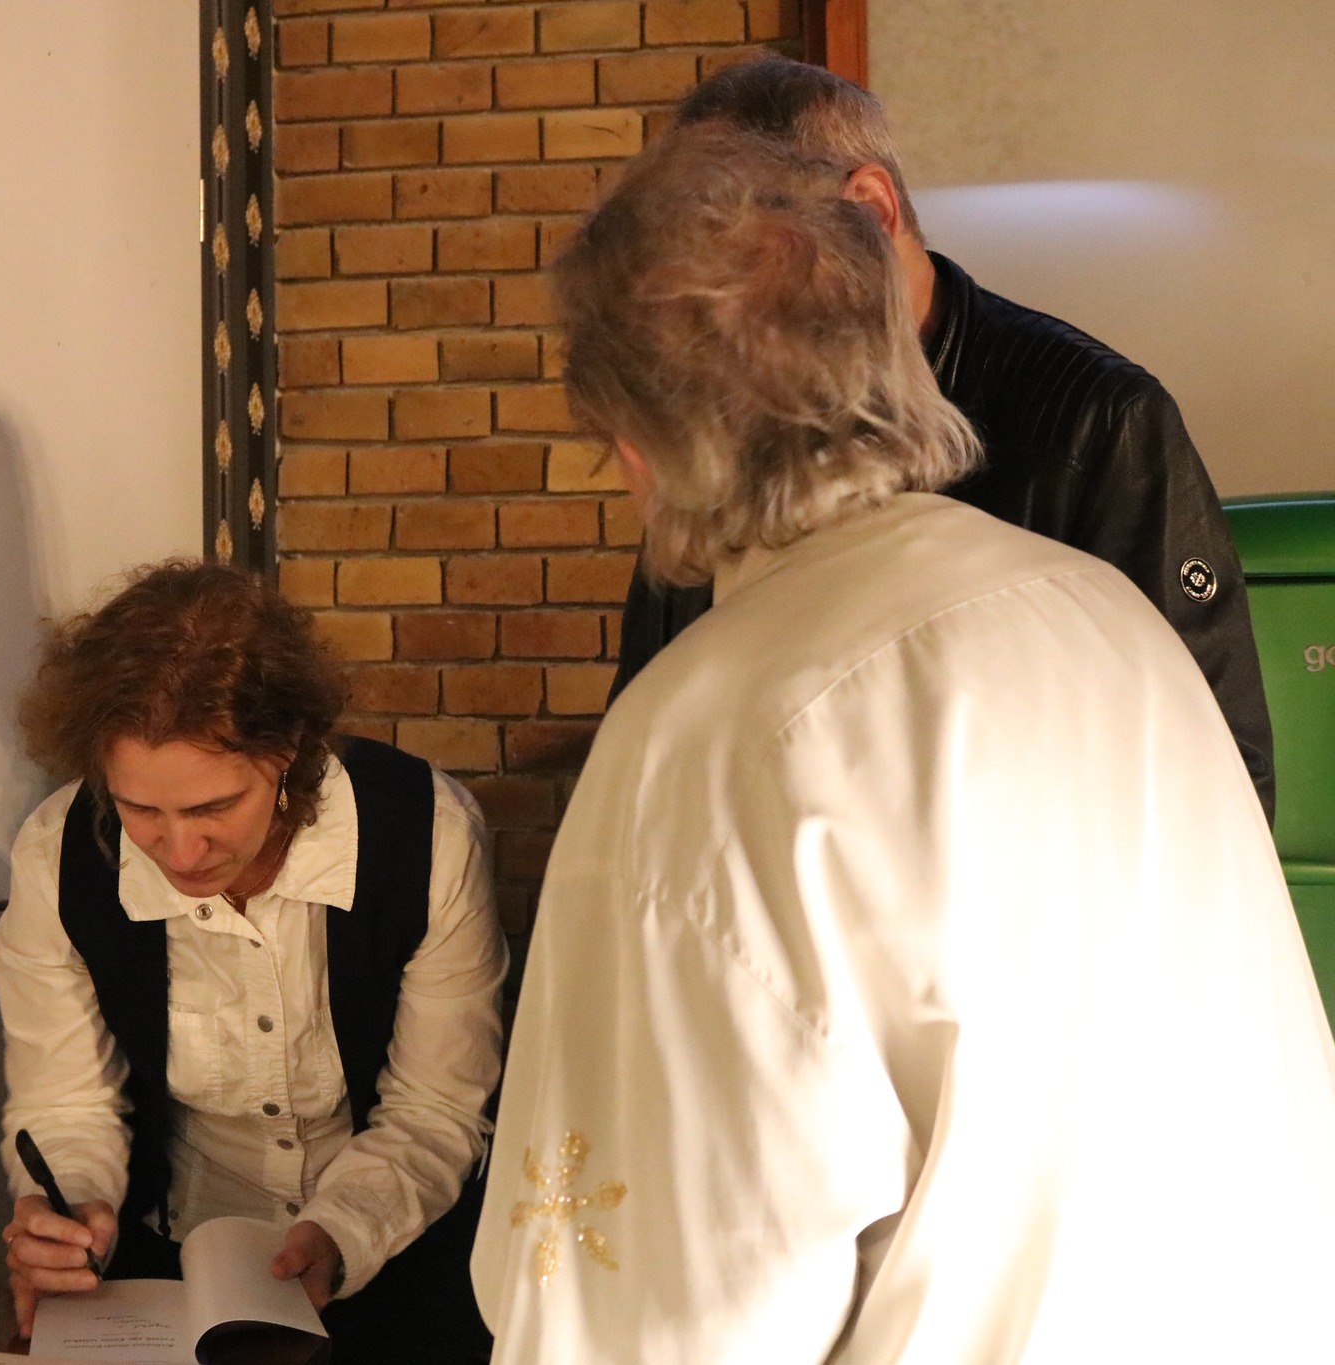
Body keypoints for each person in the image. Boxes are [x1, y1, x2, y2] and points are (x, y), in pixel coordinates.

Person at [472, 123, 1335, 1361]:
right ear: (892, 352)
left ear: (634, 444)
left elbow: (661, 1310)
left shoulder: (706, 735)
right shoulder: (1107, 618)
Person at [605, 56, 1276, 824]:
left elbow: (1221, 778)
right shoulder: (728, 419)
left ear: (869, 208)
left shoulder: (1099, 420)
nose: (710, 297)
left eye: (735, 247)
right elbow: (652, 715)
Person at [0, 561, 505, 1363]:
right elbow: (66, 1102)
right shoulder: (56, 856)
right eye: (140, 808)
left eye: (214, 806)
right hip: (170, 1270)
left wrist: (341, 1232)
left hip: (401, 1251)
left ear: (287, 750)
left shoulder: (426, 835)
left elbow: (436, 1107)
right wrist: (73, 1210)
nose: (180, 849)